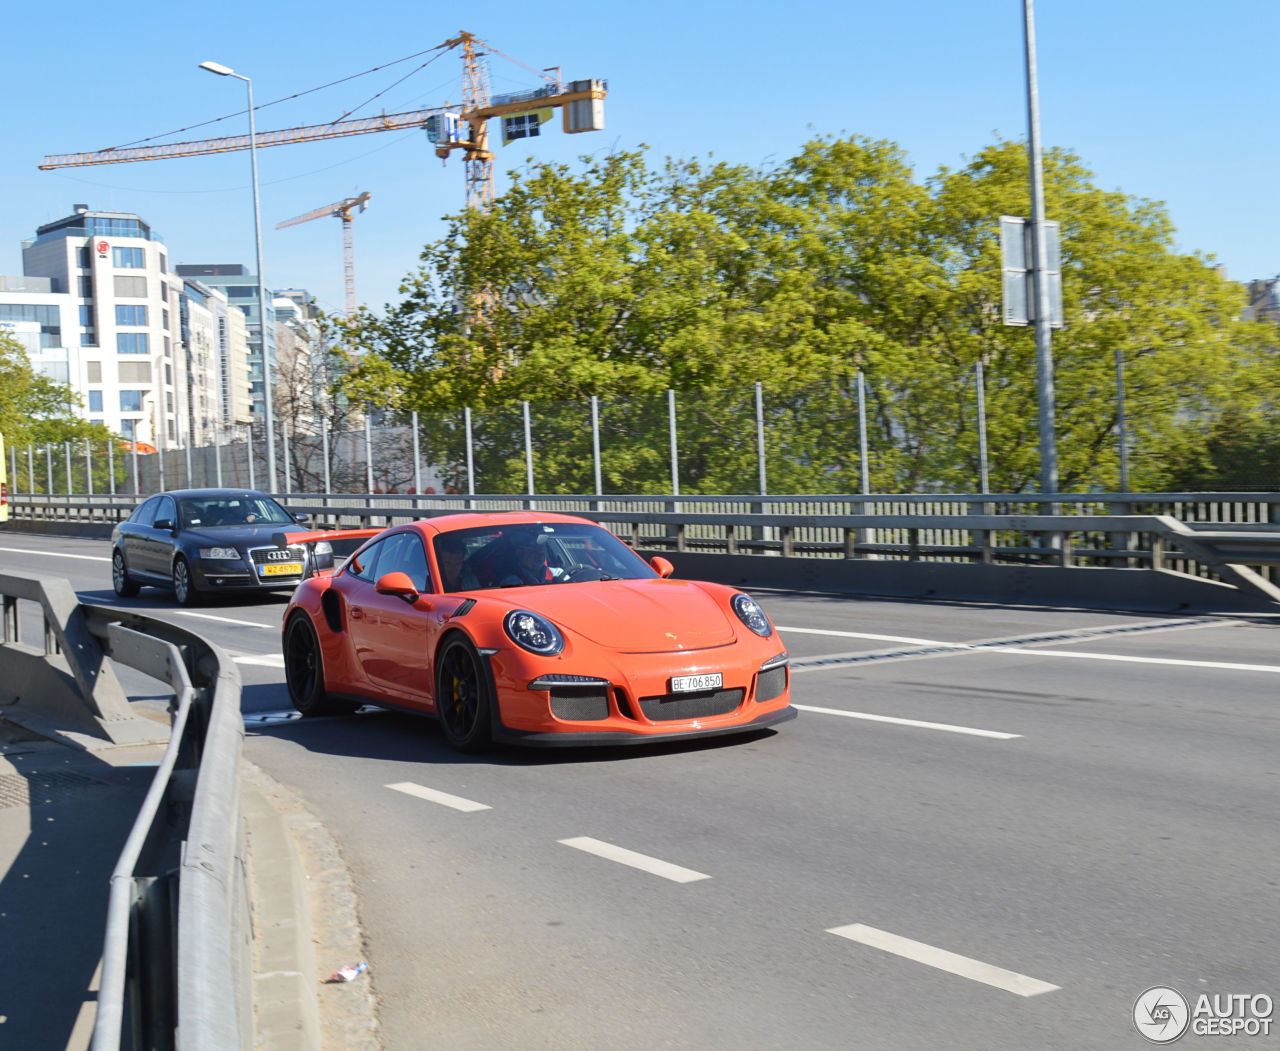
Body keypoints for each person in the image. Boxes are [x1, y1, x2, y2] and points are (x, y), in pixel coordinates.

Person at [498, 532, 565, 587]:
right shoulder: (512, 582)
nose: (540, 554)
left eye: (542, 548)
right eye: (534, 550)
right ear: (520, 553)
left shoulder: (557, 573)